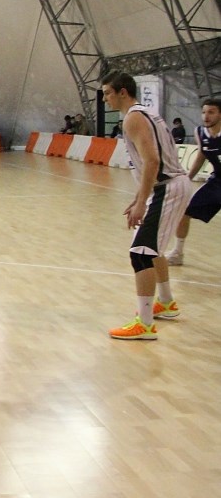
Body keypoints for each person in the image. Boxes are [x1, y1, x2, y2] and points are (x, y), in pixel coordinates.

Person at [100, 72, 193, 341]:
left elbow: (152, 160)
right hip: (166, 186)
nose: (105, 99)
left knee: (140, 253)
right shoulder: (147, 113)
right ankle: (166, 302)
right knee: (152, 250)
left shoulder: (133, 118)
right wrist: (141, 195)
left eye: (107, 93)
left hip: (167, 187)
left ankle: (145, 323)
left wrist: (142, 202)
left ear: (123, 92)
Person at [166, 98, 221, 266]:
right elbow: (201, 156)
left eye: (211, 112)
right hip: (217, 182)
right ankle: (177, 253)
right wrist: (187, 178)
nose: (206, 116)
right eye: (203, 112)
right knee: (185, 212)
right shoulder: (200, 132)